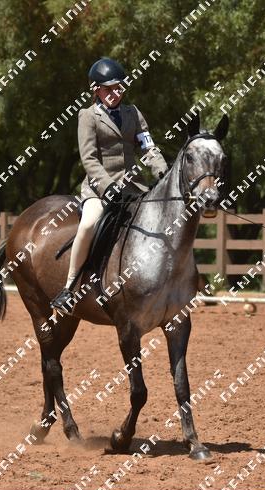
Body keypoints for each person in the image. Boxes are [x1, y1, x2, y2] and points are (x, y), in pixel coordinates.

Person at [50, 57, 168, 311]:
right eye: (108, 89)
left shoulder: (133, 113)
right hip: (98, 189)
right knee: (88, 224)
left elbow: (147, 147)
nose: (115, 93)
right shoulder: (87, 116)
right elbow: (89, 159)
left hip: (134, 187)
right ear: (96, 90)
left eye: (119, 88)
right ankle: (69, 287)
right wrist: (107, 186)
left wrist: (161, 169)